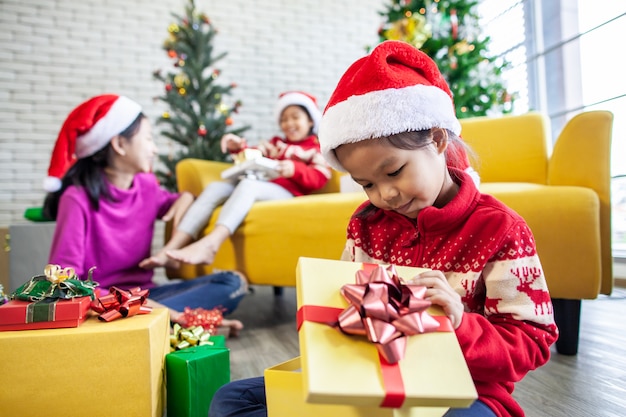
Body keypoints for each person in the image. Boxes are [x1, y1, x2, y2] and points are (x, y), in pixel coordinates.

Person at [208, 41, 558, 417]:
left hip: (462, 390)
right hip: (366, 376)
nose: (385, 194)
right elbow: (340, 303)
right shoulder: (365, 225)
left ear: (438, 139)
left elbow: (532, 343)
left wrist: (457, 323)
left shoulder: (500, 229)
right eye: (367, 184)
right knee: (232, 400)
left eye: (393, 172)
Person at [42, 94, 247, 335]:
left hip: (148, 296)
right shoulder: (76, 199)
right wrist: (169, 312)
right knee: (106, 310)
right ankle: (167, 320)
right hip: (102, 303)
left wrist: (187, 197)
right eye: (148, 139)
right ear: (119, 144)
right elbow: (67, 284)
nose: (155, 149)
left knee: (233, 282)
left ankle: (157, 322)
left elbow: (176, 201)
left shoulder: (147, 186)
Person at [140, 91, 331, 268]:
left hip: (290, 193)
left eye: (295, 117)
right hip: (260, 185)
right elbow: (251, 156)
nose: (289, 123)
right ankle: (171, 249)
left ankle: (211, 244)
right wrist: (238, 147)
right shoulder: (274, 144)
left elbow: (320, 177)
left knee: (249, 185)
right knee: (216, 187)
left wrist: (295, 169)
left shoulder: (315, 148)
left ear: (311, 121)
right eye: (284, 119)